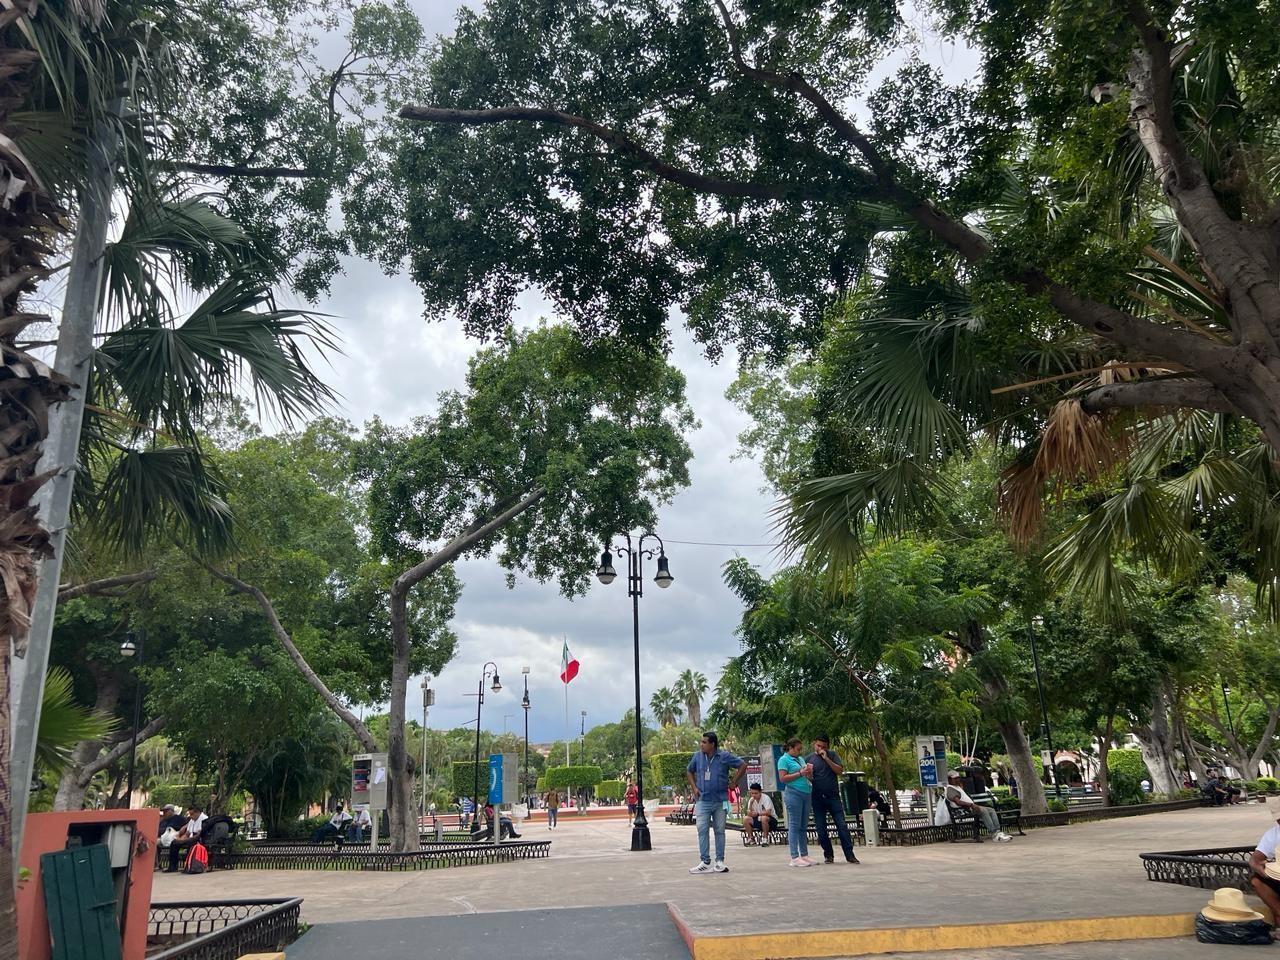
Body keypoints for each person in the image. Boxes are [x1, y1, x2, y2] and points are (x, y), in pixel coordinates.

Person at [685, 730, 744, 874]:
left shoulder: (724, 756)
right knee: (702, 829)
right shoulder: (697, 757)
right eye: (701, 742)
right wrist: (694, 788)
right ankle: (705, 861)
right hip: (703, 800)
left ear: (713, 744)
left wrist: (734, 782)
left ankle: (719, 862)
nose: (701, 745)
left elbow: (742, 765)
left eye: (704, 742)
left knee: (719, 831)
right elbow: (689, 771)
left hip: (720, 800)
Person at [807, 736, 859, 864]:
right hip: (817, 798)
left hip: (833, 797)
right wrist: (809, 775)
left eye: (824, 747)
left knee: (842, 826)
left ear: (827, 747)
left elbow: (840, 771)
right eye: (819, 746)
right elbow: (807, 778)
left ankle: (850, 854)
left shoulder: (833, 755)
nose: (821, 749)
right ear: (814, 744)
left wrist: (827, 759)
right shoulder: (808, 759)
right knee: (821, 828)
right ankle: (828, 855)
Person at [935, 770, 1012, 841]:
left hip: (969, 807)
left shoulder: (957, 787)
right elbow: (958, 802)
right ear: (949, 779)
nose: (957, 780)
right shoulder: (950, 789)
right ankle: (993, 833)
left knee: (991, 810)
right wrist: (971, 805)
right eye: (955, 778)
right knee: (983, 811)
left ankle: (998, 831)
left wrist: (961, 787)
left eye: (958, 778)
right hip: (964, 810)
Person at [778, 737, 814, 867]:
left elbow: (806, 775)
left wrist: (809, 773)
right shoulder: (784, 760)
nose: (799, 751)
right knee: (794, 825)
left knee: (803, 825)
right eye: (798, 749)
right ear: (791, 748)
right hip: (794, 793)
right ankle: (794, 856)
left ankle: (804, 854)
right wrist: (800, 773)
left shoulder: (800, 759)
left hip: (806, 791)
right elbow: (783, 778)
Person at [166, 806, 208, 872]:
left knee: (191, 844)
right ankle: (172, 867)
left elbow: (198, 835)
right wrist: (180, 839)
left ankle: (188, 866)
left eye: (192, 814)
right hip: (190, 838)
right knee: (174, 843)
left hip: (198, 839)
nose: (190, 816)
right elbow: (187, 833)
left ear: (198, 813)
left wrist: (185, 840)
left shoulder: (204, 819)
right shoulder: (192, 820)